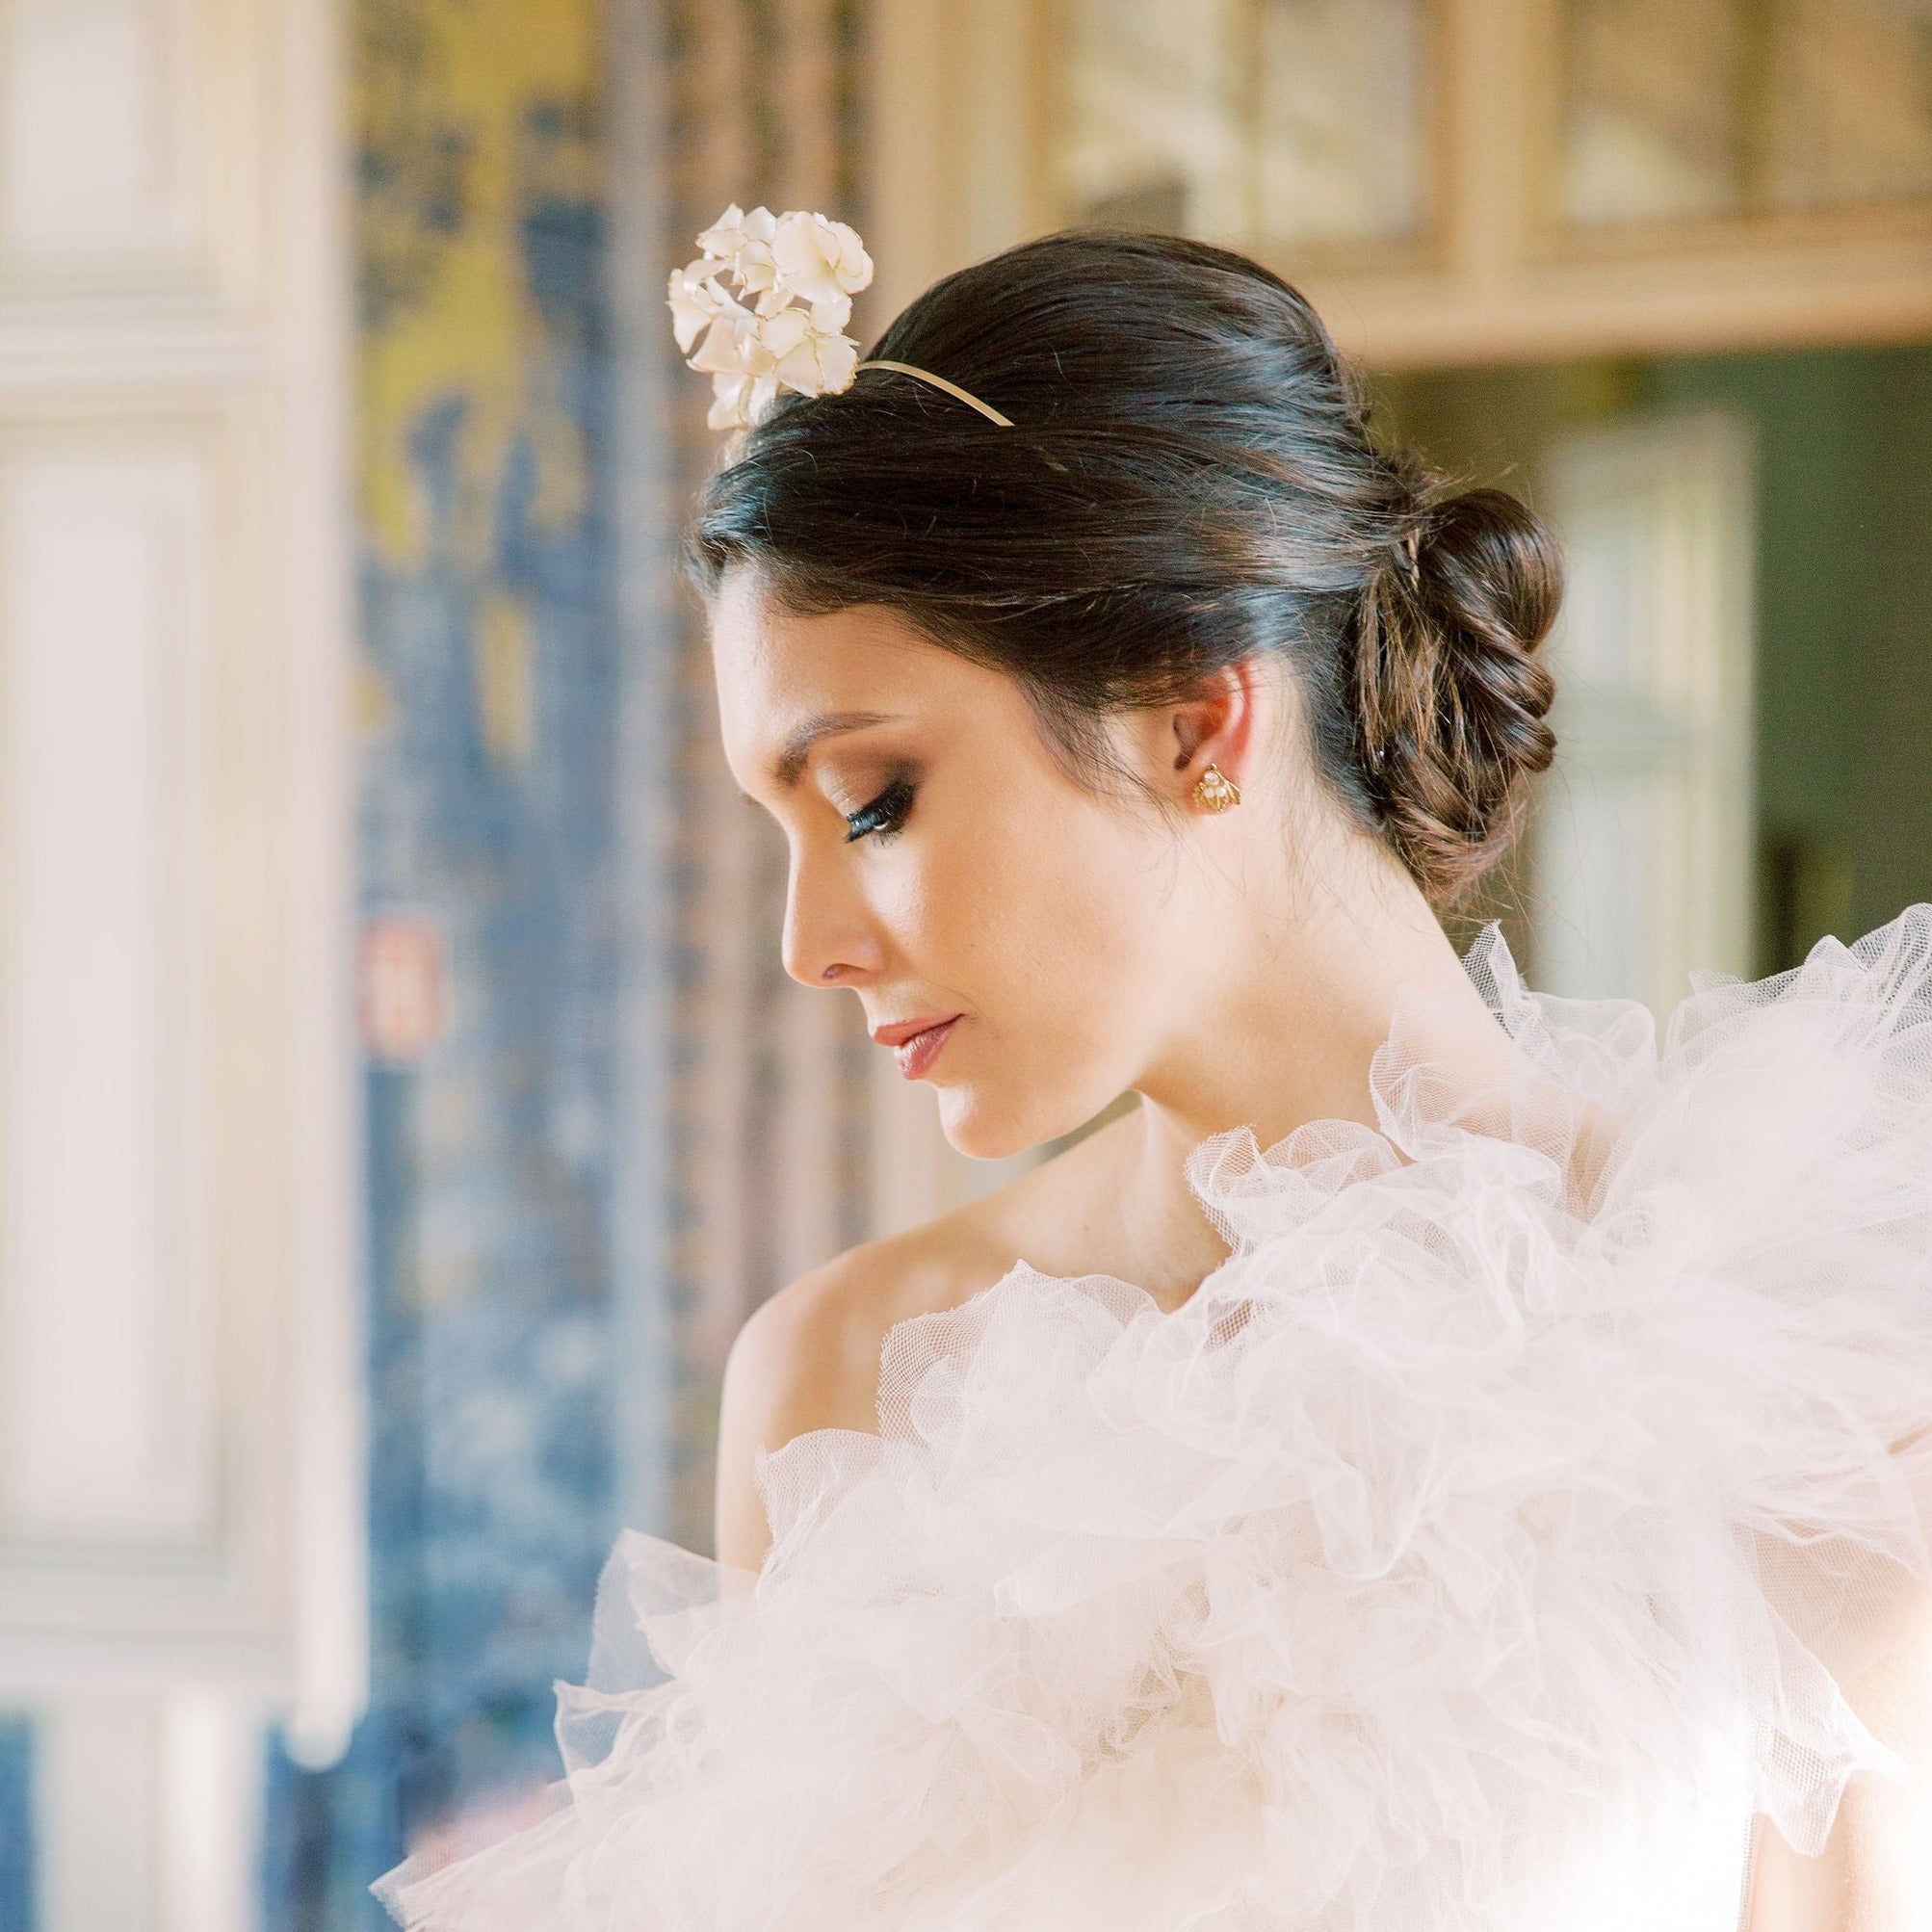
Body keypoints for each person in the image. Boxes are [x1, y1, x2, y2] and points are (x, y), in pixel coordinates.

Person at [378, 222, 1932, 1930]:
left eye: (874, 800)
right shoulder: (842, 1383)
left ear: (1194, 722)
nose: (806, 940)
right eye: (782, 830)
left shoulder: (1804, 1356)